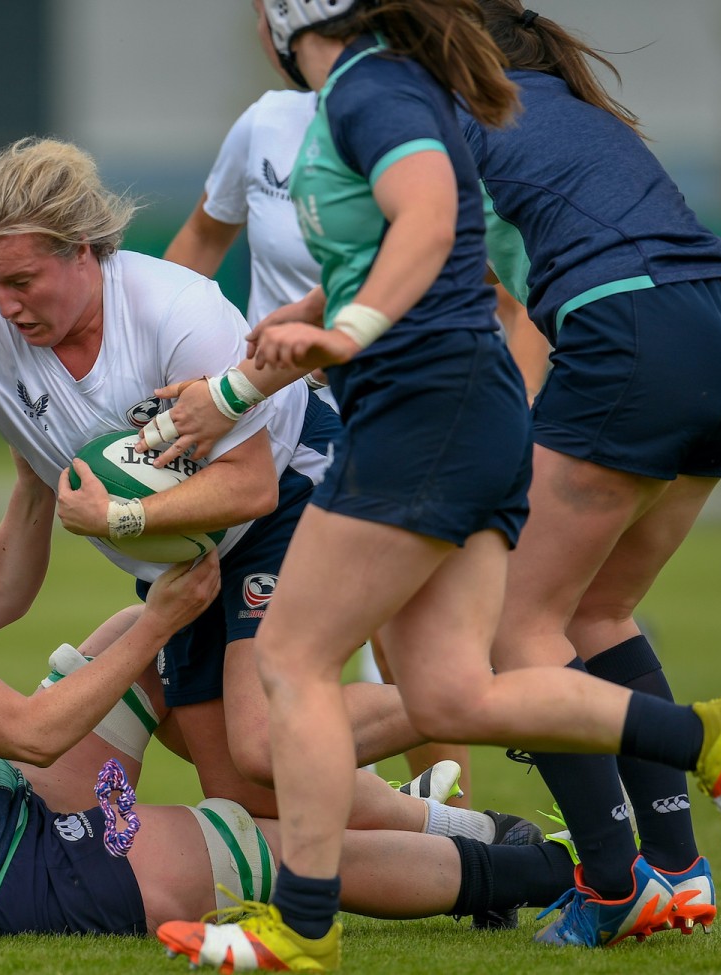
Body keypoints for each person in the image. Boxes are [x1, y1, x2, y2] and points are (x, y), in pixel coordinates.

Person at [147, 1, 721, 966]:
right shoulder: (446, 98)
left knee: (298, 661)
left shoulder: (375, 92)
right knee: (468, 681)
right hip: (709, 331)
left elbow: (427, 226)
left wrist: (342, 340)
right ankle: (700, 747)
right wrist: (243, 383)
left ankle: (330, 924)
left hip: (451, 390)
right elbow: (395, 254)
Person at [0, 136, 520, 853]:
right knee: (243, 790)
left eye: (22, 280)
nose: (6, 305)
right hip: (190, 553)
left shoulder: (174, 306)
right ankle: (472, 836)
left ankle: (485, 686)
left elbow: (251, 485)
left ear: (82, 249)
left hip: (293, 492)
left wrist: (119, 515)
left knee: (262, 741)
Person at [0, 443, 577, 938]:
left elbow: (1, 586)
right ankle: (528, 865)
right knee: (257, 838)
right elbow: (34, 732)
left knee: (141, 648)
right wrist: (162, 616)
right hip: (15, 878)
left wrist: (33, 464)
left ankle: (451, 821)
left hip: (2, 834)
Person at [165, 86, 475, 806]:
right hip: (263, 416)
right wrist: (171, 364)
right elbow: (203, 239)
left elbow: (490, 289)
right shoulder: (264, 121)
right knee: (251, 685)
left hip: (392, 405)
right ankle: (443, 827)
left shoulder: (420, 120)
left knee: (400, 631)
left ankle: (467, 831)